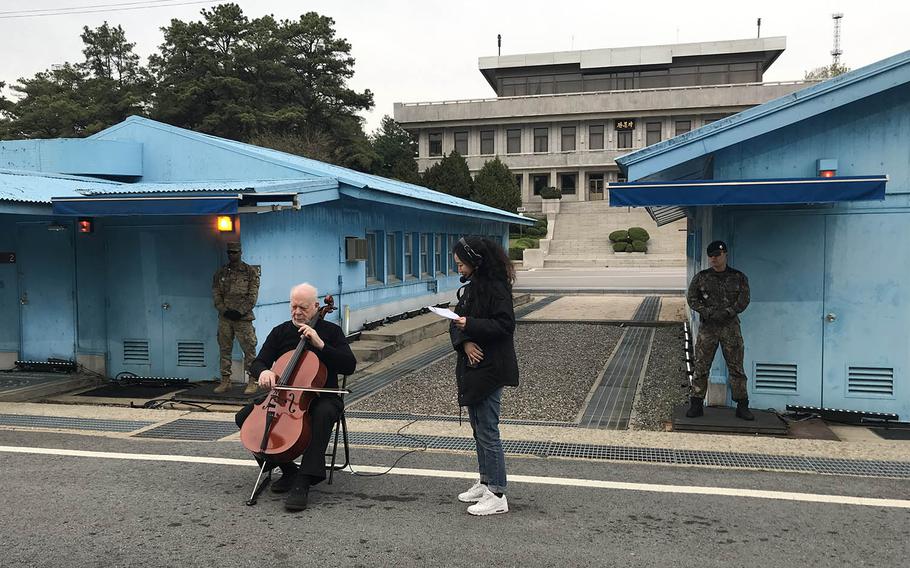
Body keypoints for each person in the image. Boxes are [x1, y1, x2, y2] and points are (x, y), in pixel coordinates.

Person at [235, 283, 356, 512]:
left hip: (322, 395)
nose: (297, 312)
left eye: (303, 307)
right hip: (283, 398)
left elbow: (349, 366)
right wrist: (264, 372)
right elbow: (257, 362)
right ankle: (289, 469)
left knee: (323, 413)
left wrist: (320, 344)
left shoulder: (331, 332)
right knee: (244, 419)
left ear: (316, 306)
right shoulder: (280, 332)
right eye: (293, 307)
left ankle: (304, 481)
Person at [450, 236, 519, 516]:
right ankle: (485, 481)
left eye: (461, 264)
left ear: (476, 262)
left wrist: (471, 325)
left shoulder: (496, 287)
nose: (459, 270)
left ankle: (498, 493)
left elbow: (506, 325)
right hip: (473, 367)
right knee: (478, 428)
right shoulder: (471, 289)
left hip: (491, 368)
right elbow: (455, 322)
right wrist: (464, 341)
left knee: (488, 430)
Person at [685, 240, 754, 420]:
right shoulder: (701, 277)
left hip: (730, 327)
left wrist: (729, 312)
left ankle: (742, 405)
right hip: (708, 327)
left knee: (736, 367)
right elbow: (692, 298)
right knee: (701, 365)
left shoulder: (738, 277)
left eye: (717, 255)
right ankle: (696, 404)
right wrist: (707, 311)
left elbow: (744, 299)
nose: (714, 259)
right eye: (711, 256)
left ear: (725, 255)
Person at [212, 241, 260, 394]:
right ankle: (225, 380)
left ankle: (253, 380)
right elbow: (216, 294)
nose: (232, 255)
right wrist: (224, 310)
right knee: (225, 349)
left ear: (240, 252)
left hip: (243, 319)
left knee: (249, 350)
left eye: (235, 252)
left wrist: (240, 311)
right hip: (225, 318)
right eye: (230, 252)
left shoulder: (250, 272)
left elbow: (252, 296)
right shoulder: (221, 273)